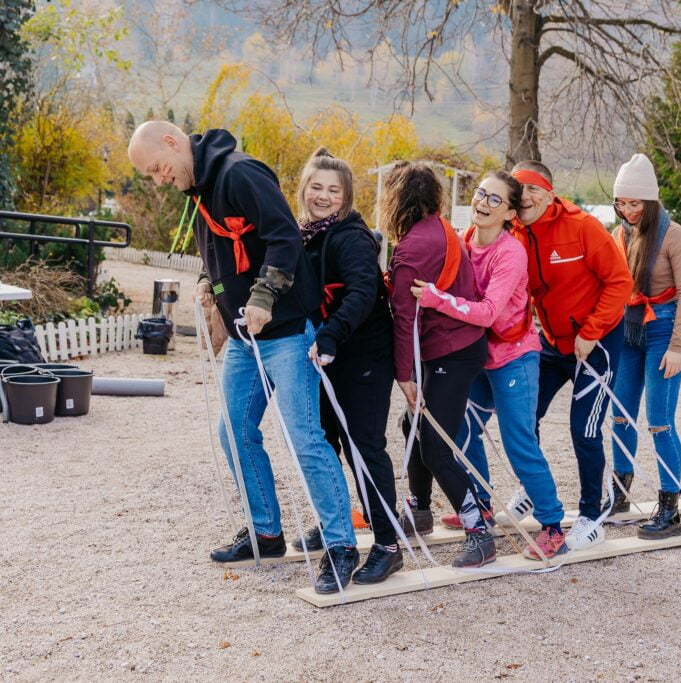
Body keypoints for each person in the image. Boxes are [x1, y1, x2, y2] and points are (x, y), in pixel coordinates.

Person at [127, 121, 360, 594]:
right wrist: (208, 286)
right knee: (234, 431)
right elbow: (221, 253)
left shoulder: (240, 173)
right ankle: (266, 533)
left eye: (157, 168)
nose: (159, 180)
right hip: (244, 340)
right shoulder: (200, 188)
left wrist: (263, 296)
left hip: (288, 330)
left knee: (304, 439)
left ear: (172, 143)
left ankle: (341, 545)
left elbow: (284, 238)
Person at [411, 171, 567, 559]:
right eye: (481, 194)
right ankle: (481, 505)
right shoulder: (463, 239)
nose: (483, 202)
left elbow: (487, 313)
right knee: (462, 428)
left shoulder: (510, 252)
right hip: (478, 356)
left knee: (519, 444)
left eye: (495, 200)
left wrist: (436, 299)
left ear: (510, 212)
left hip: (515, 357)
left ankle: (552, 525)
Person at [511, 161, 633, 550]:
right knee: (524, 416)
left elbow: (620, 282)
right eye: (519, 190)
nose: (525, 197)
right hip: (551, 342)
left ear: (549, 193)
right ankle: (533, 489)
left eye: (533, 189)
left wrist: (592, 330)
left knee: (584, 429)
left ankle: (590, 515)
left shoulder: (581, 226)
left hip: (597, 342)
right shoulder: (514, 231)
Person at [295, 147, 403, 583]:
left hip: (363, 355)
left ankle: (388, 543)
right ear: (303, 189)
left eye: (333, 190)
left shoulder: (352, 238)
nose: (323, 196)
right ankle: (334, 525)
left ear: (347, 195)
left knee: (364, 449)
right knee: (327, 446)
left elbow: (362, 293)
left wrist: (331, 333)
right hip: (326, 355)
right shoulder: (305, 234)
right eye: (316, 187)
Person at [382, 161, 495, 568]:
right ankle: (420, 509)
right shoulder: (442, 227)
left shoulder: (412, 248)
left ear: (398, 198)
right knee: (412, 426)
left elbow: (404, 319)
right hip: (459, 345)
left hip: (450, 351)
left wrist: (404, 375)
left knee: (436, 445)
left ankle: (478, 530)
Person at [605, 154, 681, 539]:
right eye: (621, 203)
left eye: (634, 203)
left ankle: (669, 509)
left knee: (659, 422)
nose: (627, 210)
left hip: (663, 331)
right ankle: (620, 495)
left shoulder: (673, 233)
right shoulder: (620, 234)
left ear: (650, 201)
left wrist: (677, 346)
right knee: (621, 415)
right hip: (628, 331)